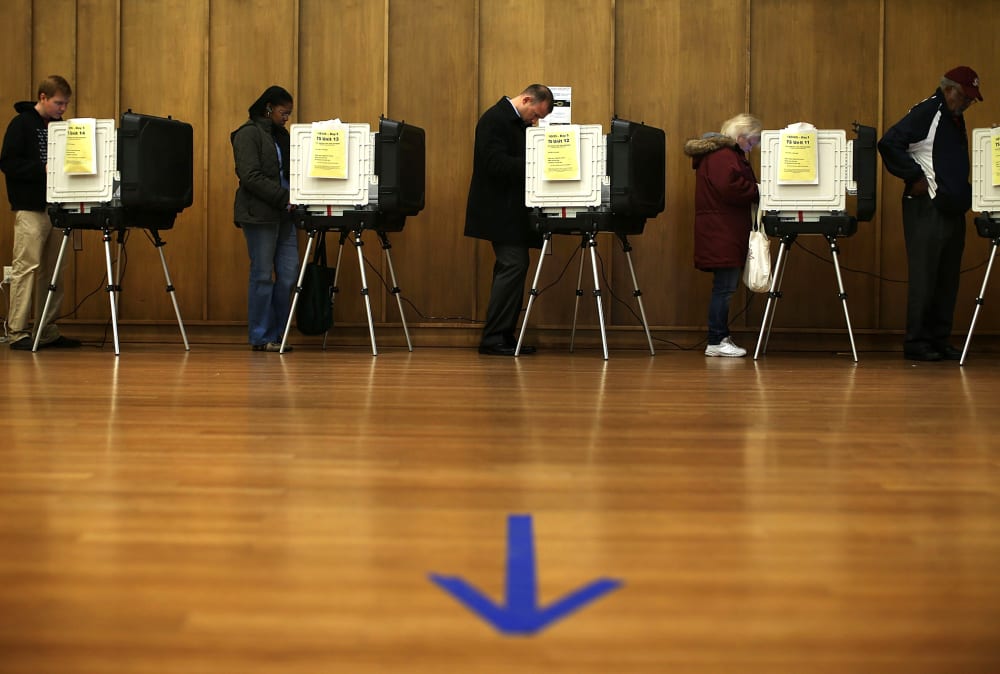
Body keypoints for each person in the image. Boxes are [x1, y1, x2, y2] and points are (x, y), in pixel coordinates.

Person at [878, 66, 981, 362]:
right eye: (965, 96)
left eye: (972, 99)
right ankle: (917, 342)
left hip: (951, 209)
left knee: (947, 279)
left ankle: (939, 338)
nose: (968, 103)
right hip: (928, 208)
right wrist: (913, 176)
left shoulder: (953, 117)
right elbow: (889, 142)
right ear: (949, 90)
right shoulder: (929, 111)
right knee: (925, 277)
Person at [465, 84, 554, 356]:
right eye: (534, 115)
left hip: (509, 212)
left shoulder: (513, 122)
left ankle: (503, 335)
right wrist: (538, 162)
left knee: (514, 266)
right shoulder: (495, 119)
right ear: (526, 99)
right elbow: (494, 164)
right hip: (498, 211)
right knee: (514, 265)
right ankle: (494, 339)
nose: (535, 121)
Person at [1, 75, 81, 350]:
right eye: (59, 103)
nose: (63, 109)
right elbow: (8, 163)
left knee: (54, 271)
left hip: (58, 206)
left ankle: (46, 329)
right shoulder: (21, 124)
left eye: (66, 104)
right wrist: (42, 169)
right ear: (43, 98)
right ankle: (18, 332)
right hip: (31, 207)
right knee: (28, 268)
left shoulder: (60, 127)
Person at [683, 113, 762, 358]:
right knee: (724, 289)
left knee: (724, 287)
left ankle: (719, 337)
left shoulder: (720, 155)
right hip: (723, 231)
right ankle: (717, 339)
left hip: (720, 230)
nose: (753, 147)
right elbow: (731, 189)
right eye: (753, 141)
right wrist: (759, 190)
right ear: (741, 137)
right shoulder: (723, 156)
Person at [231, 86, 298, 353]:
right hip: (259, 215)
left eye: (289, 114)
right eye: (284, 113)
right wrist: (284, 197)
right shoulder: (247, 134)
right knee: (261, 275)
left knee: (289, 274)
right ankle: (261, 336)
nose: (286, 119)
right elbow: (250, 176)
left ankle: (279, 334)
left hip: (286, 215)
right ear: (269, 108)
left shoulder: (282, 136)